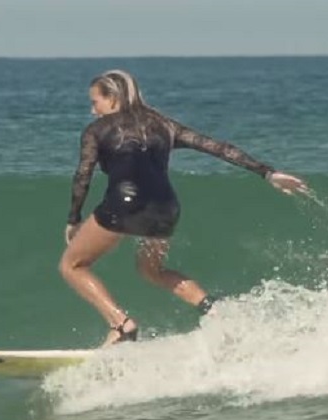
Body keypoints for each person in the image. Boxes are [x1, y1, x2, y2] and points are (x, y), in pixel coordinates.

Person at [59, 69, 308, 347]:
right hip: (165, 208)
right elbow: (218, 148)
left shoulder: (97, 130)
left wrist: (73, 218)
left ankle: (121, 324)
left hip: (124, 205)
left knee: (72, 265)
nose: (93, 110)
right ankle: (213, 311)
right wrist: (268, 173)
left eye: (96, 102)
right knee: (151, 270)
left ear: (113, 98)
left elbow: (83, 174)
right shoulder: (163, 124)